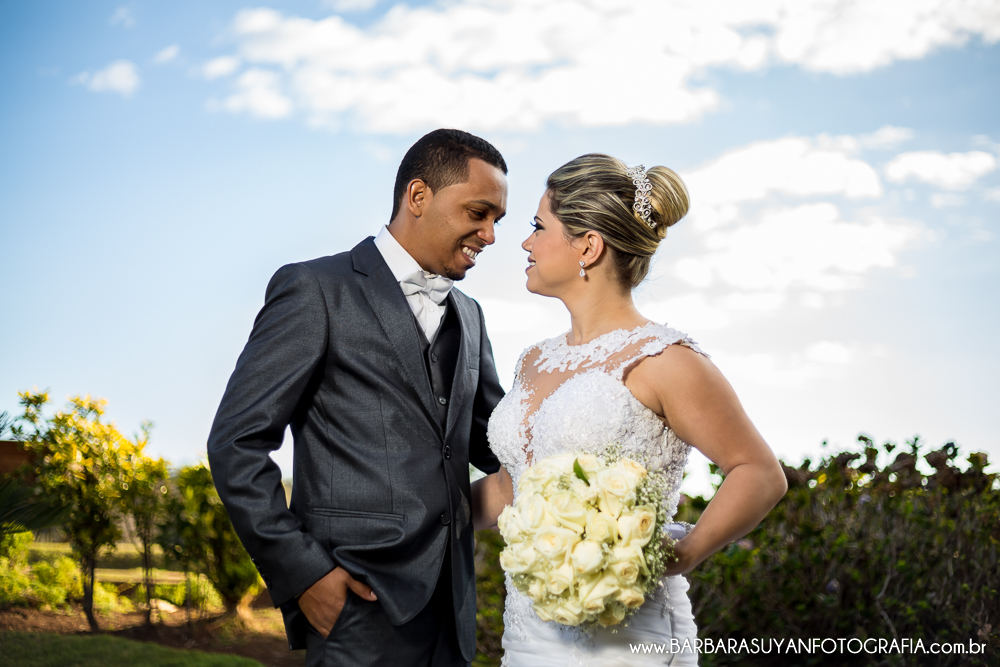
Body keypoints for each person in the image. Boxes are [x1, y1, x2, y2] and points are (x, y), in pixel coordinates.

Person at [470, 154, 788, 665]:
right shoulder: (533, 360)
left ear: (588, 246)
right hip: (527, 640)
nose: (525, 243)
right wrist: (419, 519)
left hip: (627, 637)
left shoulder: (665, 360)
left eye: (537, 226)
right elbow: (512, 488)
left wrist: (683, 553)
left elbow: (759, 473)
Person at [207, 129, 509, 667]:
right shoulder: (315, 290)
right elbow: (237, 443)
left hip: (454, 613)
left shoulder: (471, 315)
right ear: (418, 197)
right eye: (478, 213)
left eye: (497, 221)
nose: (489, 235)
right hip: (354, 604)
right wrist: (305, 574)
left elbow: (497, 442)